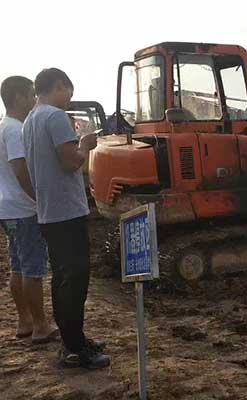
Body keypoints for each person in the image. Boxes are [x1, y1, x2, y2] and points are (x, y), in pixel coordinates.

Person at [22, 68, 110, 369]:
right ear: (59, 86)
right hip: (67, 212)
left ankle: (73, 340)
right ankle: (75, 349)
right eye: (67, 90)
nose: (69, 97)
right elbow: (70, 161)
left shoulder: (30, 120)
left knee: (62, 278)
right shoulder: (55, 117)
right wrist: (84, 144)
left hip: (49, 211)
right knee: (75, 280)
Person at [0, 76, 58, 344]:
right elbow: (20, 169)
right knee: (33, 268)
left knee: (18, 265)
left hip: (7, 208)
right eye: (31, 94)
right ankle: (41, 326)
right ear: (18, 98)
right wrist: (38, 198)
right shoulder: (14, 130)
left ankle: (24, 321)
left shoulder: (3, 127)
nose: (34, 100)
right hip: (24, 208)